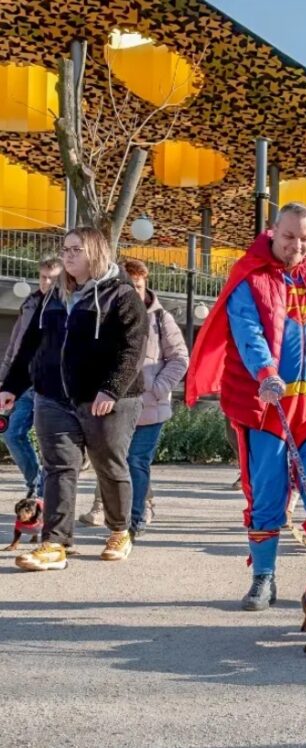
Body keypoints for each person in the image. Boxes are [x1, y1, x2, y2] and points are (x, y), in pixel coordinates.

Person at [185, 202, 306, 610]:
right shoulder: (249, 274)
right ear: (272, 231)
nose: (297, 245)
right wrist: (265, 372)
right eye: (289, 237)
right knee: (266, 493)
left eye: (305, 238)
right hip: (267, 406)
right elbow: (246, 331)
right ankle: (264, 577)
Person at [0, 226, 148, 571]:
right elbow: (30, 347)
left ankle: (119, 530)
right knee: (58, 467)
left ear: (95, 253)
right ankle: (54, 543)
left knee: (108, 465)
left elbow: (133, 350)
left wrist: (110, 388)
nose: (67, 255)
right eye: (65, 249)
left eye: (75, 249)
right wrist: (11, 387)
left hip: (108, 398)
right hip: (53, 396)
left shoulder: (121, 295)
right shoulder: (54, 296)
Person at [121, 260, 189, 538]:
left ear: (145, 285)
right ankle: (130, 511)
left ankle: (133, 522)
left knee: (136, 460)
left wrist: (158, 388)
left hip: (151, 407)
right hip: (117, 406)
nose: (133, 292)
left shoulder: (161, 319)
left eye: (138, 286)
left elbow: (180, 358)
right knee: (120, 463)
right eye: (128, 286)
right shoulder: (112, 315)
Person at [0, 256, 61, 500]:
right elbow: (16, 345)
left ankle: (44, 493)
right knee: (11, 434)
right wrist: (5, 381)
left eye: (52, 278)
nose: (47, 282)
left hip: (51, 385)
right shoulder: (30, 303)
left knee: (49, 441)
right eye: (43, 277)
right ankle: (35, 481)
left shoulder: (66, 305)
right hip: (23, 384)